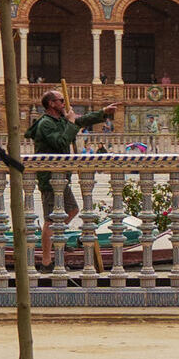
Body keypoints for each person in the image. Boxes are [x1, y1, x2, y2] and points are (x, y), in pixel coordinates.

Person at [28, 89, 119, 269]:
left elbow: (81, 120)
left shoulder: (60, 120)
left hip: (62, 178)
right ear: (52, 104)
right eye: (61, 101)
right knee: (50, 219)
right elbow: (61, 142)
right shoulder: (45, 124)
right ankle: (46, 261)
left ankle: (55, 236)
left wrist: (103, 113)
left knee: (72, 209)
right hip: (50, 179)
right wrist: (70, 123)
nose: (64, 104)